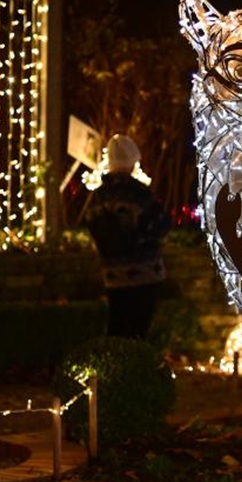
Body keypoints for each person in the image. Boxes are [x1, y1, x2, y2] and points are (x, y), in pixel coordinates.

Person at [83, 135, 170, 338]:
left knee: (117, 329)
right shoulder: (139, 193)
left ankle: (118, 367)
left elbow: (93, 228)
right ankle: (137, 366)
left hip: (113, 275)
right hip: (145, 273)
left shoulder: (98, 197)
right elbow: (162, 225)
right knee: (140, 330)